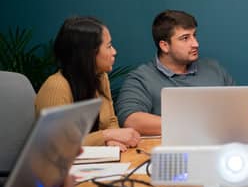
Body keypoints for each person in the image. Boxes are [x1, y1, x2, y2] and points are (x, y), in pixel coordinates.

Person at [116, 10, 234, 136]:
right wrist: (193, 125)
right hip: (173, 153)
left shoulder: (214, 69)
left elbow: (239, 107)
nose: (195, 44)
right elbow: (131, 120)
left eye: (194, 35)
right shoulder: (142, 78)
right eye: (185, 38)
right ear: (165, 46)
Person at [35, 17, 141, 151]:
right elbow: (56, 144)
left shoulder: (101, 77)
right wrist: (106, 136)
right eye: (108, 46)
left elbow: (111, 122)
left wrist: (112, 139)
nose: (114, 52)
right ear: (88, 53)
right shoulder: (56, 87)